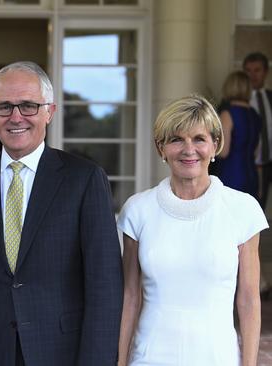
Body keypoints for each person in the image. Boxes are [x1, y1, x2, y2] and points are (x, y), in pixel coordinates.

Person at [0, 61, 123, 366]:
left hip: (62, 353)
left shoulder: (83, 180)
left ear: (49, 112)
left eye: (28, 106)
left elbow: (104, 288)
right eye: (4, 106)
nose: (16, 117)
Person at [117, 95, 266, 366]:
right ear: (160, 148)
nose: (189, 149)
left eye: (199, 138)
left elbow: (248, 300)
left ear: (215, 145)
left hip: (217, 357)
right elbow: (130, 297)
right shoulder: (137, 210)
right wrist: (119, 362)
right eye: (176, 139)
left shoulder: (243, 209)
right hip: (149, 358)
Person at [216, 71, 262, 198]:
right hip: (252, 175)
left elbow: (223, 152)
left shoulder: (227, 113)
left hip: (231, 175)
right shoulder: (254, 114)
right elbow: (256, 152)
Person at [243, 52, 272, 207]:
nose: (252, 75)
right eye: (248, 70)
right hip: (253, 163)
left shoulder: (270, 96)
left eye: (257, 70)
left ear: (265, 72)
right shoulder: (240, 100)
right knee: (255, 205)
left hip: (270, 157)